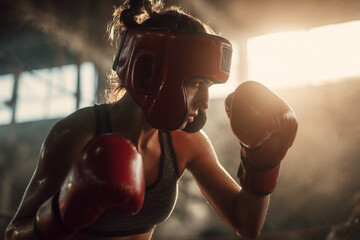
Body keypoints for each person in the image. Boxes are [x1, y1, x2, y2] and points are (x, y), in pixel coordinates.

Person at [5, 0, 298, 239]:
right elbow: (14, 233)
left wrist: (263, 162)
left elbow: (246, 223)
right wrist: (60, 213)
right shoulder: (76, 134)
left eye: (209, 87)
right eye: (196, 83)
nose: (205, 102)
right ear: (148, 71)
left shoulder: (186, 141)